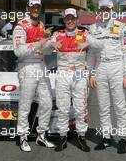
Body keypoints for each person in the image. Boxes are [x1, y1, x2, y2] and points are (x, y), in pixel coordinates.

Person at [44, 8, 105, 152]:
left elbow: (101, 46)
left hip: (79, 75)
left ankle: (81, 137)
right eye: (67, 18)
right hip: (63, 74)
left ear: (77, 19)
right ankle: (63, 137)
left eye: (73, 18)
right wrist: (49, 44)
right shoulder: (57, 35)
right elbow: (45, 51)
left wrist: (88, 44)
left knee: (80, 108)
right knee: (63, 108)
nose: (70, 21)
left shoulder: (85, 34)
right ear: (64, 20)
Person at [87, 0, 126, 154]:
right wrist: (91, 73)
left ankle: (122, 139)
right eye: (102, 9)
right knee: (103, 105)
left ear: (112, 10)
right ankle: (106, 137)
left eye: (107, 9)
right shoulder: (93, 28)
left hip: (117, 66)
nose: (104, 12)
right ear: (99, 11)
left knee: (119, 106)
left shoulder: (122, 27)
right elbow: (91, 53)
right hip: (100, 67)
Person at [12, 0, 55, 152]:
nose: (36, 9)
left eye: (38, 7)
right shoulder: (20, 26)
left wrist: (51, 44)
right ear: (28, 8)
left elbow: (44, 49)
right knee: (25, 103)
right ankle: (22, 136)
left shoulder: (42, 25)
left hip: (41, 65)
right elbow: (18, 51)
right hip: (27, 67)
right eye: (33, 6)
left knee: (47, 102)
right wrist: (40, 42)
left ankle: (41, 135)